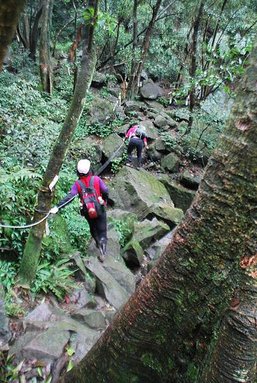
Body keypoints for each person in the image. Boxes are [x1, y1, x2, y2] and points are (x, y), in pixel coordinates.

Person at [50, 159, 109, 262]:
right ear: (89, 169)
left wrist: (57, 207)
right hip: (99, 208)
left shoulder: (77, 184)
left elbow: (70, 197)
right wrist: (104, 199)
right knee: (102, 230)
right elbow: (105, 190)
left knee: (93, 227)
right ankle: (102, 251)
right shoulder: (96, 179)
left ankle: (97, 242)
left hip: (87, 211)